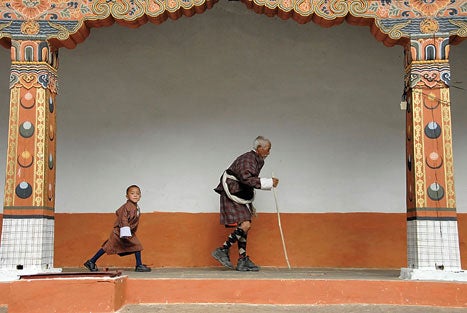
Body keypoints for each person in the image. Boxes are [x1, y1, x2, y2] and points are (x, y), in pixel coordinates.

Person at [212, 136, 279, 271]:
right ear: (259, 148)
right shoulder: (248, 159)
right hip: (232, 193)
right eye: (268, 149)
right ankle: (222, 249)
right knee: (246, 225)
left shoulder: (256, 160)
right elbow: (246, 178)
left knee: (245, 226)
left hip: (239, 194)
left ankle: (242, 260)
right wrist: (268, 182)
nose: (269, 152)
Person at [84, 185, 151, 272]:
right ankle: (91, 261)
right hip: (120, 232)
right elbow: (123, 218)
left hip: (127, 231)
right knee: (108, 247)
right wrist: (126, 230)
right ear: (127, 196)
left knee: (136, 246)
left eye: (138, 194)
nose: (135, 195)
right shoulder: (127, 206)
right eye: (132, 193)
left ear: (140, 196)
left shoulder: (135, 206)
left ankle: (139, 265)